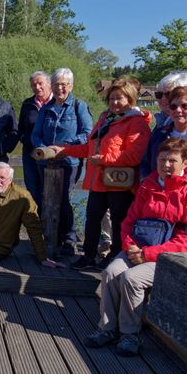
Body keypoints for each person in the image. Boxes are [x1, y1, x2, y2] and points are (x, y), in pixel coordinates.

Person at [84, 138, 187, 356]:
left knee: (132, 278)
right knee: (111, 272)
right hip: (138, 250)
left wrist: (147, 254)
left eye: (172, 160)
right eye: (162, 160)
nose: (166, 165)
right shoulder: (147, 185)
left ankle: (129, 334)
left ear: (185, 163)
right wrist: (130, 246)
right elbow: (129, 222)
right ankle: (107, 328)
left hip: (172, 257)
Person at [51, 77, 152, 269]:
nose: (114, 102)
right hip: (99, 181)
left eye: (119, 98)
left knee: (119, 222)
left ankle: (114, 257)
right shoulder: (106, 119)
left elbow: (135, 155)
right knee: (92, 219)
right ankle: (88, 256)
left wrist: (105, 159)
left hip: (120, 183)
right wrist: (64, 150)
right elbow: (89, 148)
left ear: (130, 99)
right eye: (112, 98)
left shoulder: (137, 123)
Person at [31, 67, 94, 255]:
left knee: (64, 199)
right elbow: (36, 134)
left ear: (71, 86)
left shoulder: (78, 106)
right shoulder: (46, 109)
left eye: (64, 84)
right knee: (48, 198)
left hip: (69, 162)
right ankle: (51, 237)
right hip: (46, 163)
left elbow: (87, 134)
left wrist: (65, 147)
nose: (60, 88)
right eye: (57, 84)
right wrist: (45, 149)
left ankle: (69, 239)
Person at [19, 70, 52, 203]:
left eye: (40, 83)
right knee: (33, 191)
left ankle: (50, 217)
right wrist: (28, 142)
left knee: (50, 191)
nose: (37, 87)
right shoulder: (28, 104)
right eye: (33, 85)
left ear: (49, 83)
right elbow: (21, 129)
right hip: (31, 154)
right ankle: (35, 216)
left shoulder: (57, 102)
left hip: (51, 156)